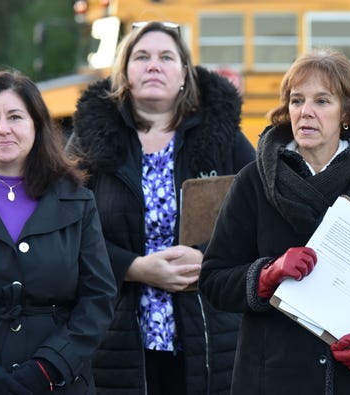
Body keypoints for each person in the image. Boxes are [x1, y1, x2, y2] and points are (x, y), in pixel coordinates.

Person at [198, 48, 350, 395]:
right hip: (274, 378)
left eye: (322, 101)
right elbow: (214, 278)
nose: (306, 112)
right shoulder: (255, 180)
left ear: (346, 112)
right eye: (297, 101)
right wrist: (266, 276)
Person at [66, 21, 255, 395]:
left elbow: (257, 218)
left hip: (209, 334)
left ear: (185, 74)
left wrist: (212, 261)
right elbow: (64, 230)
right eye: (142, 57)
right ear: (124, 72)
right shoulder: (89, 140)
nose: (154, 65)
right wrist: (133, 268)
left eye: (166, 57)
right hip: (116, 336)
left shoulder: (224, 138)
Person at [0, 69, 116, 394]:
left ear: (36, 125)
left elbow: (98, 299)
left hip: (60, 382)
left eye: (15, 117)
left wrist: (48, 369)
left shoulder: (77, 199)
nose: (3, 129)